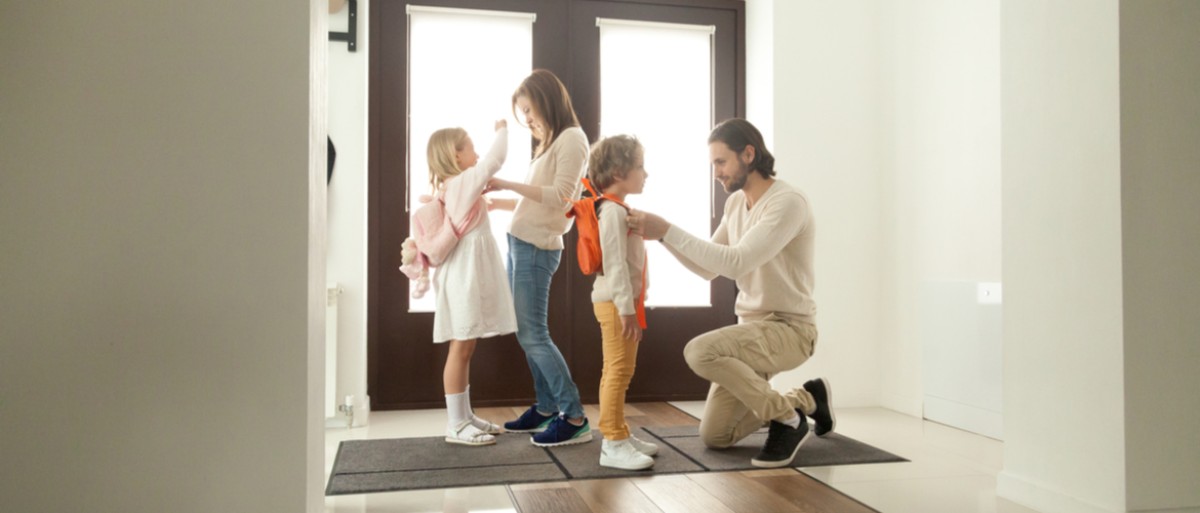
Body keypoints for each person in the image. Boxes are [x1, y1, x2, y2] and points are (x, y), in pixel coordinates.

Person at [626, 118, 835, 468]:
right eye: (713, 165)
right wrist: (661, 236)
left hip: (790, 330)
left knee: (699, 351)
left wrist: (668, 229)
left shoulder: (788, 203)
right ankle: (806, 399)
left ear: (748, 154)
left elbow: (736, 262)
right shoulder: (736, 204)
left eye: (721, 162)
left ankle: (789, 421)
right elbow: (711, 267)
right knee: (716, 437)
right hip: (751, 333)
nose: (716, 173)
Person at [486, 69, 591, 447]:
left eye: (529, 110)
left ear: (548, 101)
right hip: (521, 243)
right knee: (526, 332)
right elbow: (541, 198)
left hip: (535, 249)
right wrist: (500, 202)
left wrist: (506, 182)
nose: (527, 120)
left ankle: (574, 415)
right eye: (522, 114)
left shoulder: (573, 139)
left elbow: (562, 197)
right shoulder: (550, 143)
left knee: (533, 334)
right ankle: (547, 407)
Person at [423, 120, 517, 446]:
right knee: (461, 345)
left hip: (466, 273)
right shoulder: (462, 183)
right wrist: (502, 130)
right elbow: (496, 159)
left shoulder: (458, 185)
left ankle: (464, 416)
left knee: (467, 344)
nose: (477, 153)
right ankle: (455, 424)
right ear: (456, 154)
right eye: (470, 146)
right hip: (463, 275)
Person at [586, 135, 658, 470]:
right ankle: (612, 443)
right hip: (617, 305)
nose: (646, 174)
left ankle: (620, 433)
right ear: (618, 172)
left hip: (620, 303)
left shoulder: (618, 209)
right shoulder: (612, 212)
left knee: (618, 370)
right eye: (640, 167)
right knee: (618, 371)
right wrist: (627, 310)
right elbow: (614, 263)